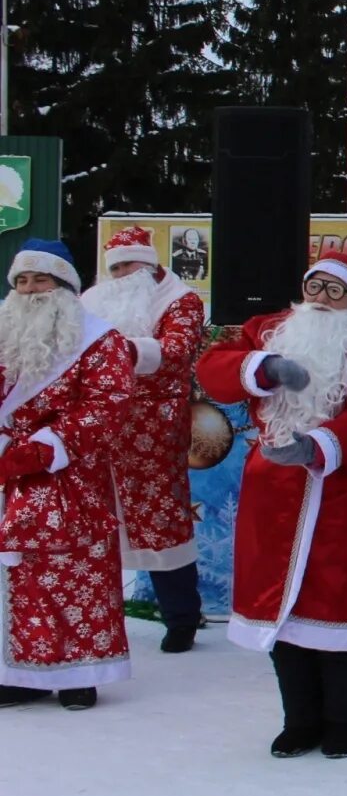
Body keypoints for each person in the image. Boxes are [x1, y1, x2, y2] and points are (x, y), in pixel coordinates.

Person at [195, 254, 347, 756]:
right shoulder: (269, 330)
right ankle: (299, 720)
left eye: (336, 291)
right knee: (280, 611)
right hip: (274, 490)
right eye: (316, 287)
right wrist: (263, 369)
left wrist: (321, 446)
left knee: (337, 609)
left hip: (343, 490)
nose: (323, 299)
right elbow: (214, 367)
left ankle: (342, 723)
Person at [0, 240, 133, 711]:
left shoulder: (101, 339)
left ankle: (82, 673)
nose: (30, 289)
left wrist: (44, 448)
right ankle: (21, 672)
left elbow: (109, 403)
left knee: (77, 573)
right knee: (19, 579)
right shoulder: (4, 330)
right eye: (22, 280)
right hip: (7, 476)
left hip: (71, 477)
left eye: (41, 279)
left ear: (66, 286)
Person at [79, 225, 207, 652]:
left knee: (162, 522)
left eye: (129, 265)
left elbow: (176, 352)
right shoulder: (93, 302)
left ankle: (182, 619)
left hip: (155, 427)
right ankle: (93, 615)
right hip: (99, 428)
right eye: (114, 267)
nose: (120, 274)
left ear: (149, 264)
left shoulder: (181, 300)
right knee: (95, 524)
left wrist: (113, 353)